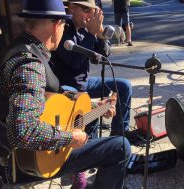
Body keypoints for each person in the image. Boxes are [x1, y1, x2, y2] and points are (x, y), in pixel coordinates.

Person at [0, 0, 131, 189]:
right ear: (57, 25)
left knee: (91, 120)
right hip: (20, 164)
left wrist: (96, 108)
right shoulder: (29, 66)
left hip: (15, 155)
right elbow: (22, 132)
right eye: (64, 23)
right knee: (120, 147)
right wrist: (70, 138)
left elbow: (46, 105)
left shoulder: (23, 48)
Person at [51, 0, 132, 137]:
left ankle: (119, 135)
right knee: (91, 112)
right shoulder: (62, 28)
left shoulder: (84, 29)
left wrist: (100, 35)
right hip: (67, 87)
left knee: (124, 86)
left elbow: (102, 56)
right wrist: (90, 34)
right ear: (72, 8)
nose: (90, 15)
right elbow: (74, 61)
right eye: (86, 10)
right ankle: (93, 146)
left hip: (84, 82)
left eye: (93, 11)